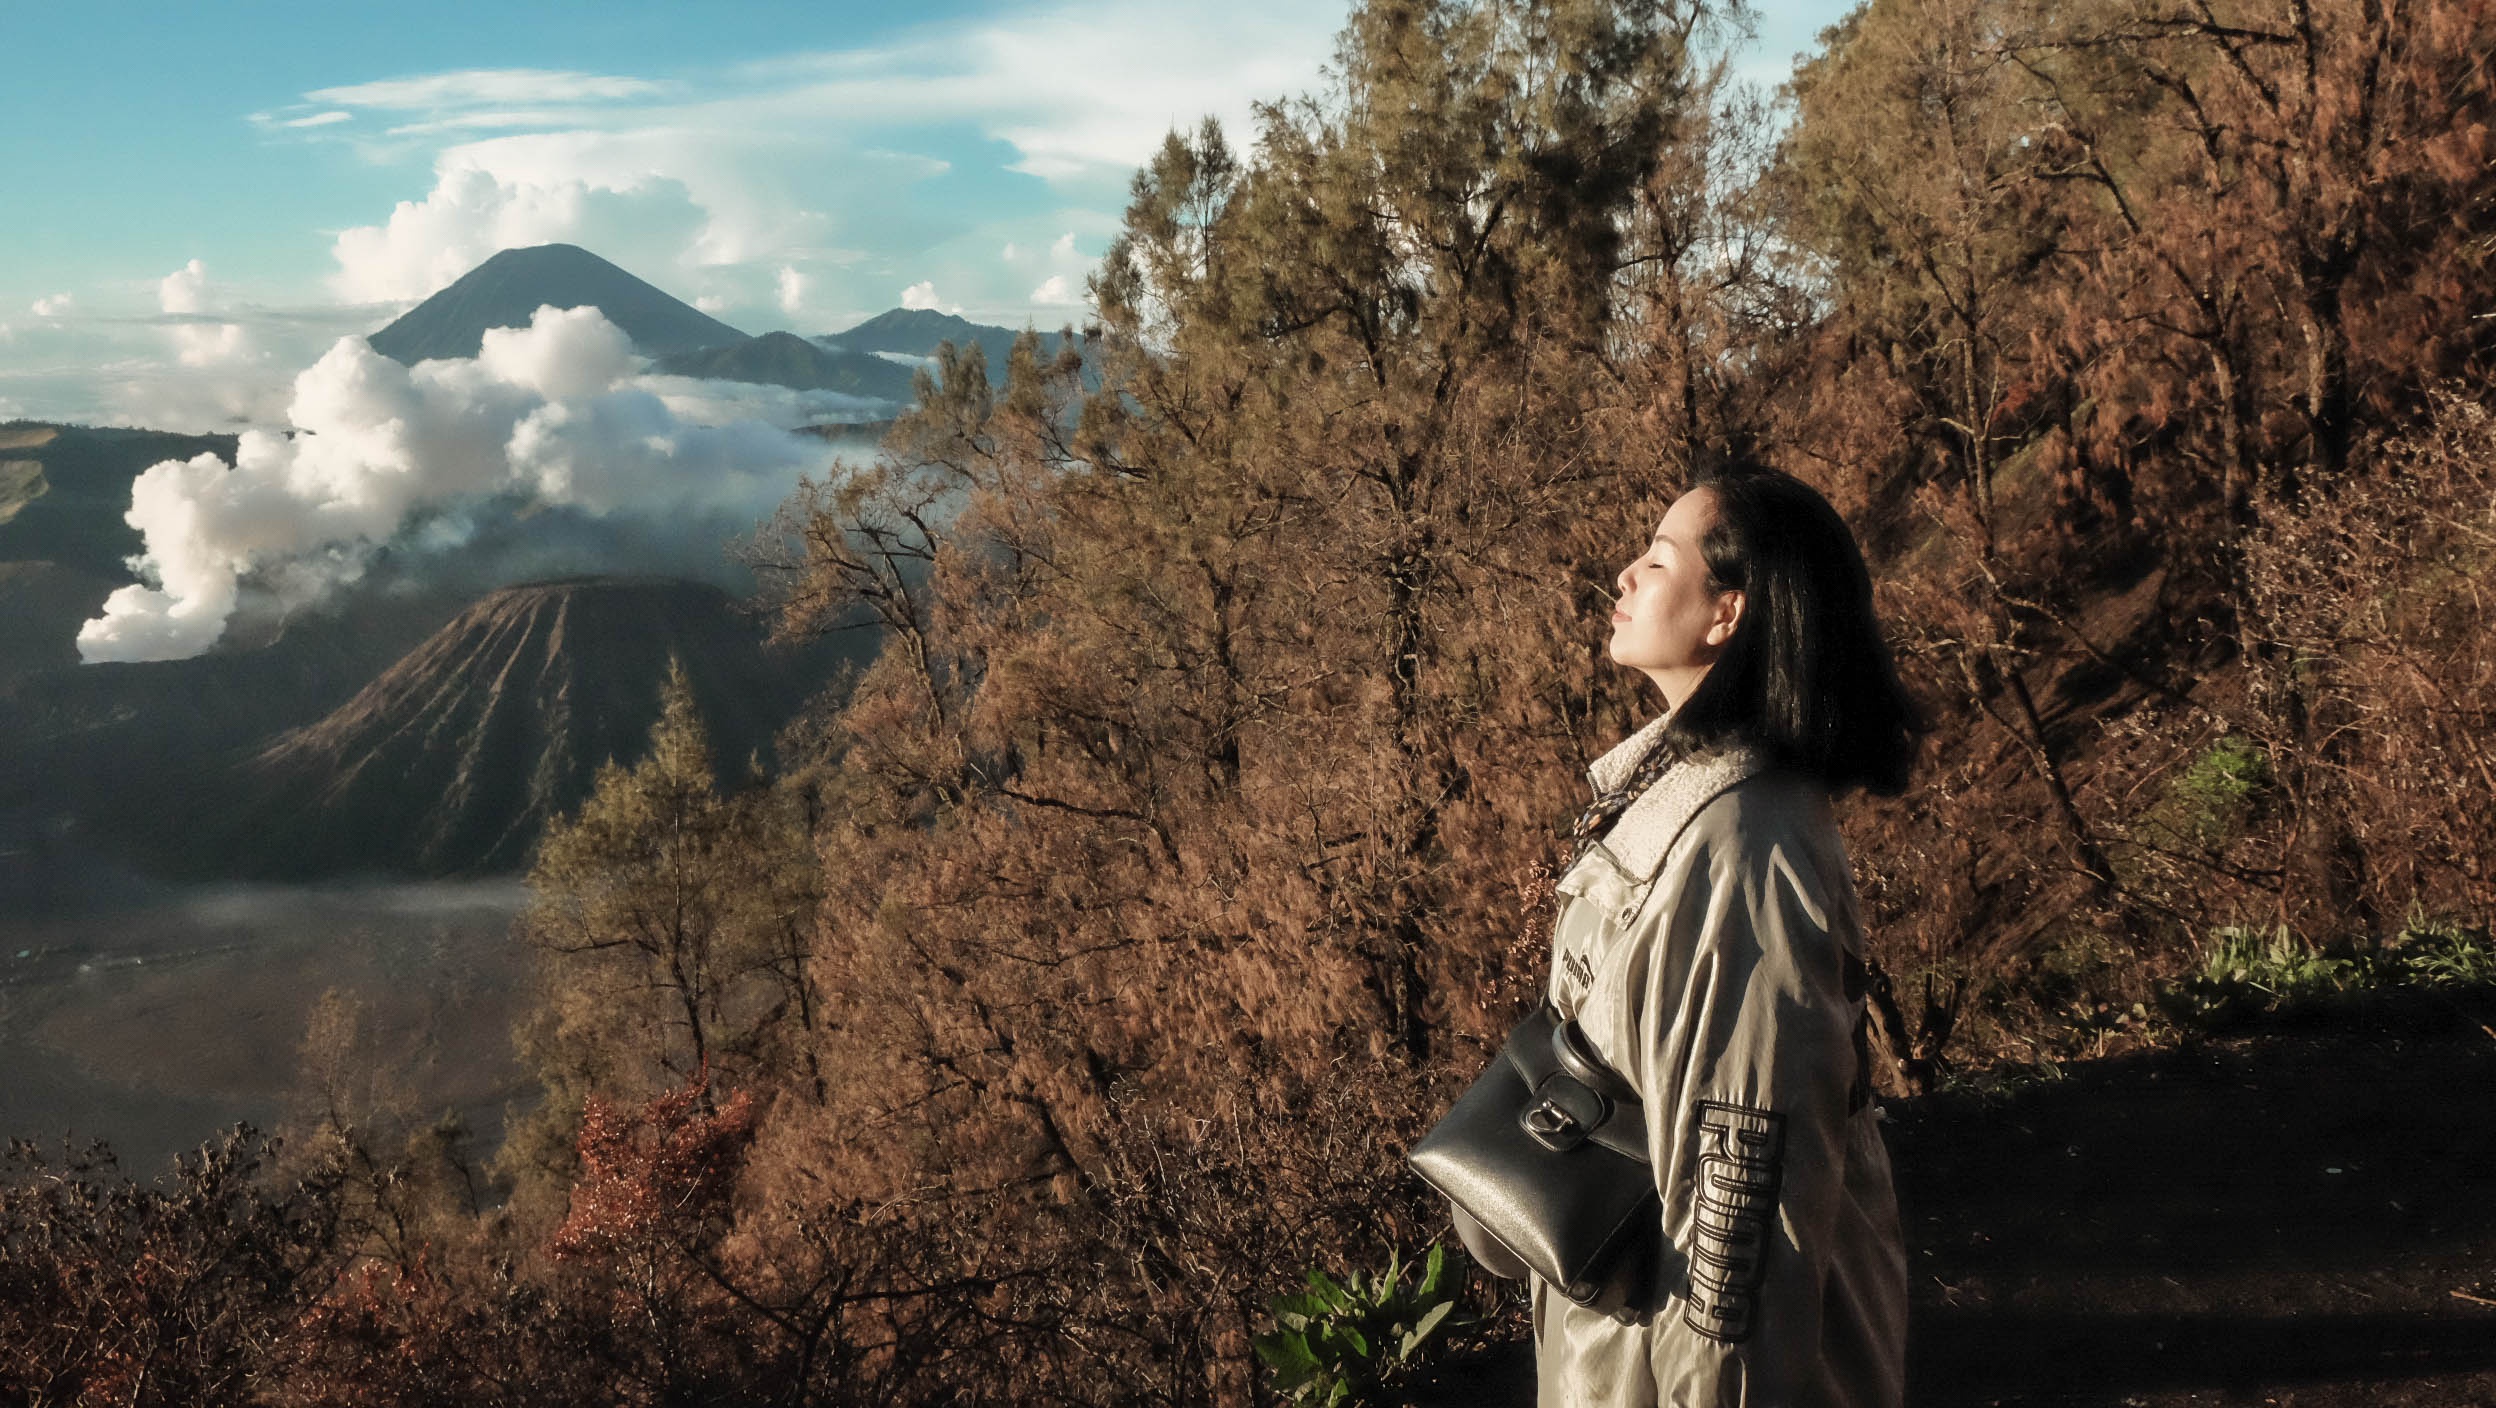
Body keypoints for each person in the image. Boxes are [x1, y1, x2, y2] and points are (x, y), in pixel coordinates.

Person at [1463, 463, 1918, 1407]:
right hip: (1619, 1349)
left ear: (1728, 614)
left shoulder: (1746, 853)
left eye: (1658, 559)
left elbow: (1740, 1200)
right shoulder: (1680, 803)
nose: (1624, 576)